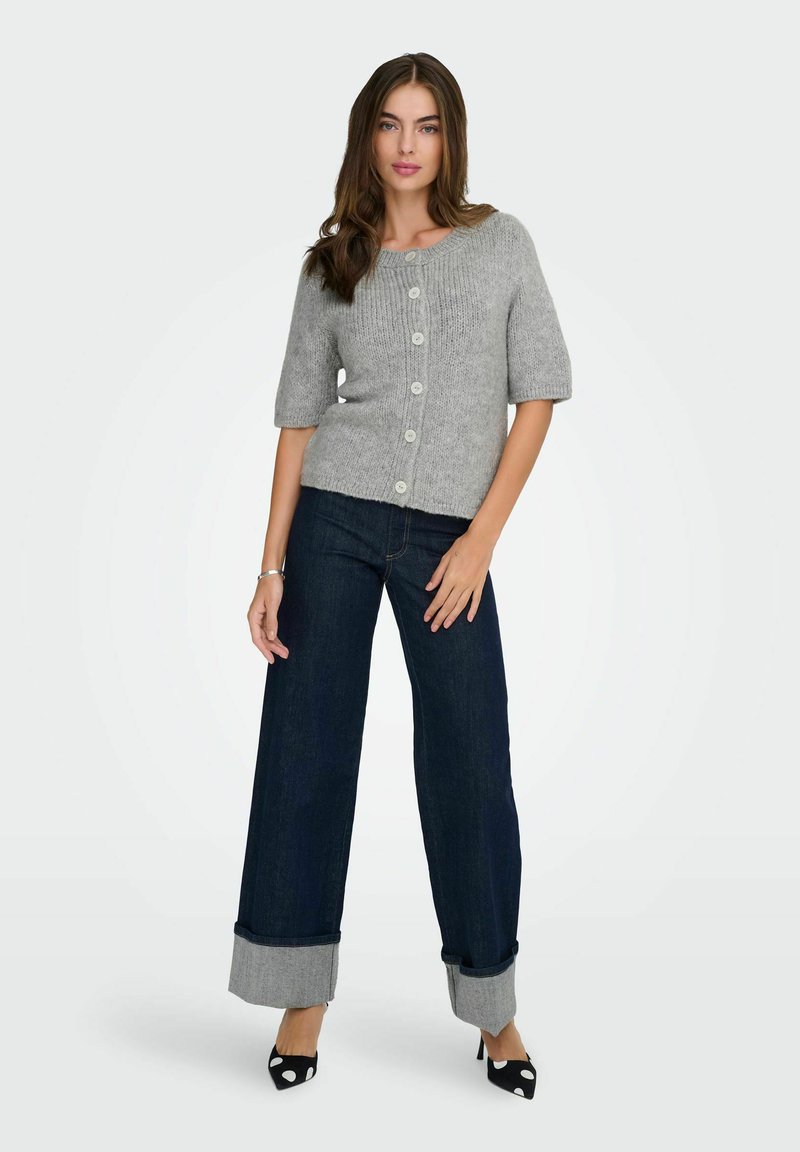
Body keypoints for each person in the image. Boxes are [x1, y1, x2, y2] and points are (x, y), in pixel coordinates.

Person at [228, 52, 572, 1099]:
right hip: (332, 519)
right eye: (389, 124)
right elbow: (298, 420)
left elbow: (538, 394)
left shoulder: (500, 244)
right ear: (366, 138)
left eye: (426, 124)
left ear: (450, 137)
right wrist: (271, 563)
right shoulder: (332, 260)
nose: (408, 144)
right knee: (305, 751)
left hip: (448, 541)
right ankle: (299, 995)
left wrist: (480, 542)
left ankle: (493, 1008)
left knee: (468, 761)